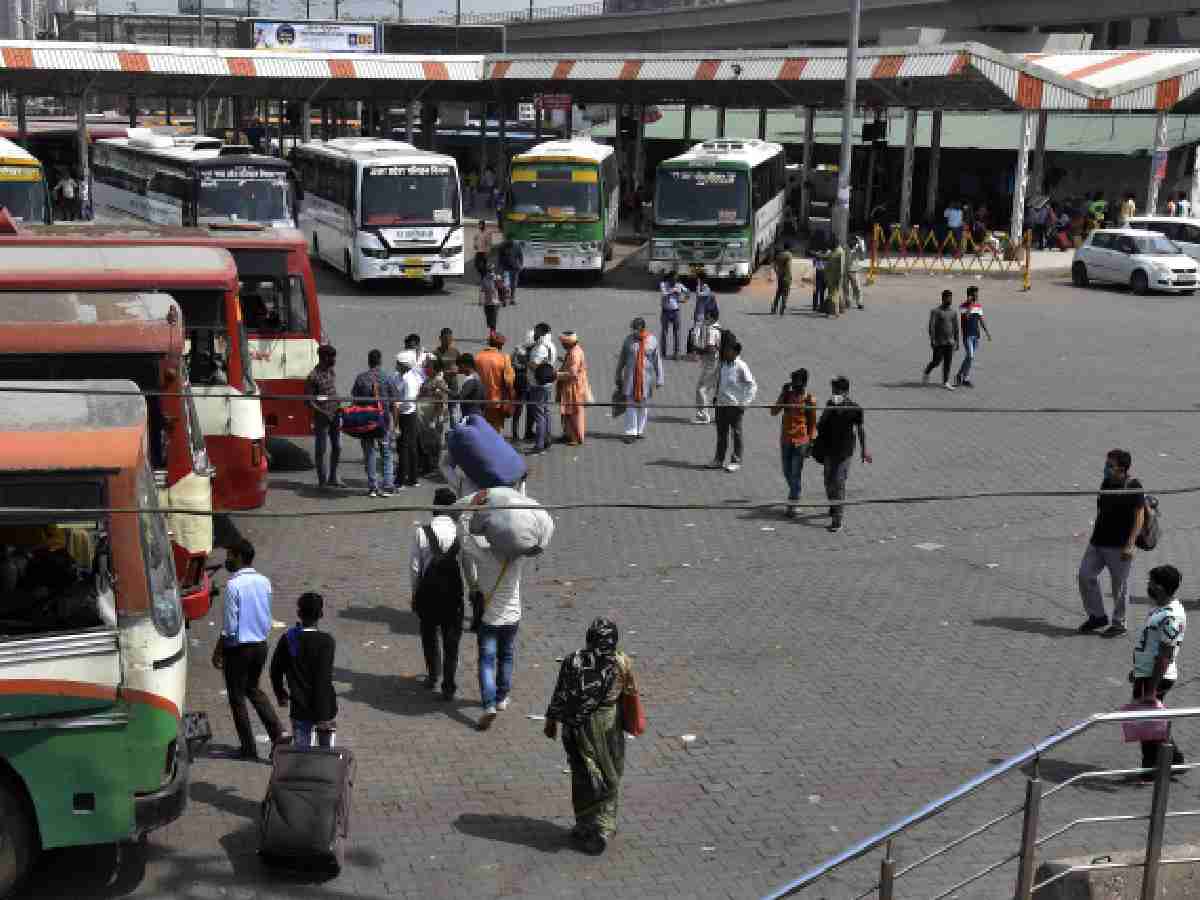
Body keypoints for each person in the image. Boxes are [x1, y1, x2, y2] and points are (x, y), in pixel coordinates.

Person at [543, 618, 640, 856]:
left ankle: (585, 825)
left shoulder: (572, 660)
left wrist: (551, 722)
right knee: (610, 774)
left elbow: (560, 694)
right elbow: (630, 693)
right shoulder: (622, 662)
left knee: (582, 775)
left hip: (577, 727)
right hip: (608, 726)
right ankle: (604, 827)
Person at [211, 539, 284, 761]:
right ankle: (278, 735)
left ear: (240, 557)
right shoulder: (264, 582)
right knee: (253, 689)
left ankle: (248, 748)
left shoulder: (234, 586)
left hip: (239, 648)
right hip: (260, 645)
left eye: (230, 555)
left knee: (237, 697)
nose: (227, 560)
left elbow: (231, 626)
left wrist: (218, 650)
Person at [460, 501, 528, 730]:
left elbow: (464, 541)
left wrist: (466, 514)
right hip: (512, 617)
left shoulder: (484, 556)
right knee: (506, 656)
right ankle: (501, 698)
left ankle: (488, 704)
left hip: (489, 618)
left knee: (487, 661)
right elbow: (528, 534)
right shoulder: (517, 557)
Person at [1128, 565, 1187, 780]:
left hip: (1157, 677)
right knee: (1150, 721)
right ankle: (1173, 760)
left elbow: (1164, 654)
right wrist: (1137, 671)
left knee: (1147, 723)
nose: (1148, 586)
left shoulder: (1171, 615)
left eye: (1151, 583)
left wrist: (1151, 689)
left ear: (1160, 587)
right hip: (1146, 674)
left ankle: (1151, 768)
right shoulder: (1160, 608)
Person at [1079, 449, 1145, 638]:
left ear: (1122, 469)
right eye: (1106, 465)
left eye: (1110, 466)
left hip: (1119, 546)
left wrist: (1131, 543)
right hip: (1098, 542)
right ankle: (1097, 616)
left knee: (1120, 586)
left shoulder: (1134, 486)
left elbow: (1139, 516)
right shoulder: (1106, 483)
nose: (1106, 469)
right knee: (1085, 576)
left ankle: (1119, 623)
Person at [409, 488, 465, 701]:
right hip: (453, 596)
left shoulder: (422, 532)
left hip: (428, 595)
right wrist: (473, 589)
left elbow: (415, 567)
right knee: (452, 641)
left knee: (430, 636)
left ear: (434, 507)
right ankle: (448, 685)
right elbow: (468, 567)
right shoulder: (460, 534)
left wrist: (415, 593)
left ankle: (433, 675)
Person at [269, 591, 337, 749]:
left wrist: (281, 694)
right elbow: (323, 679)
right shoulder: (327, 642)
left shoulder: (288, 639)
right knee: (326, 754)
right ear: (321, 614)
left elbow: (275, 671)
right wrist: (323, 713)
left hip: (300, 707)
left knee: (302, 753)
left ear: (299, 613)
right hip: (324, 708)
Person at [814, 376, 871, 533]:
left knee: (838, 482)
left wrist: (864, 450)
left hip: (845, 452)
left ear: (846, 392)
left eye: (837, 391)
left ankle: (837, 519)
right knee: (828, 481)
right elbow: (820, 425)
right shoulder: (830, 404)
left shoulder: (855, 409)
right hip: (828, 450)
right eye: (833, 391)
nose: (834, 394)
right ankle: (834, 505)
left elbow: (860, 430)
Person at [351, 349, 399, 497]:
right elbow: (395, 403)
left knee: (369, 453)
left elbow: (354, 400)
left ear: (369, 361)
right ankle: (388, 485)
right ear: (380, 361)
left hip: (366, 421)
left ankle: (372, 487)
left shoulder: (361, 378)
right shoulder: (387, 378)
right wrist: (395, 426)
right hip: (383, 421)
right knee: (386, 452)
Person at [771, 368, 818, 518]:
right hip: (786, 439)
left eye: (797, 382)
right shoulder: (787, 396)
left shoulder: (809, 400)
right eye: (793, 382)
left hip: (801, 441)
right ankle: (795, 496)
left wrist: (811, 443)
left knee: (795, 473)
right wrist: (782, 394)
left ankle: (793, 503)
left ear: (804, 383)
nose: (794, 385)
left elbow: (812, 423)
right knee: (787, 471)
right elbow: (773, 412)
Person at [709, 340, 756, 472]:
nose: (725, 352)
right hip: (721, 404)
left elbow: (752, 386)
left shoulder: (741, 366)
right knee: (721, 433)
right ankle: (719, 459)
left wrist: (744, 404)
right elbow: (720, 382)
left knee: (736, 433)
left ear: (735, 352)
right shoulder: (724, 364)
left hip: (734, 406)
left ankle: (736, 461)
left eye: (728, 350)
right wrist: (715, 397)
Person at [615, 317, 664, 444]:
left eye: (635, 329)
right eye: (632, 329)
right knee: (631, 405)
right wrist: (618, 374)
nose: (633, 332)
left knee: (643, 406)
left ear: (641, 328)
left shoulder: (652, 340)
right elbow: (622, 358)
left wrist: (660, 378)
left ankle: (639, 431)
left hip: (646, 380)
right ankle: (630, 432)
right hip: (630, 379)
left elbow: (657, 360)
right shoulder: (628, 340)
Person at [306, 344, 343, 488]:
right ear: (323, 357)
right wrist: (324, 412)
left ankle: (333, 477)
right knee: (321, 450)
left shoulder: (331, 371)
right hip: (322, 418)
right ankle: (322, 481)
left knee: (337, 447)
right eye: (331, 357)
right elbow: (309, 402)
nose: (334, 359)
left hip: (336, 414)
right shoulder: (312, 377)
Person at [391, 351, 423, 489]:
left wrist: (396, 424)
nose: (396, 365)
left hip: (406, 415)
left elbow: (403, 403)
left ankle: (401, 479)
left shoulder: (408, 380)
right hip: (406, 413)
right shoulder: (403, 375)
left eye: (398, 364)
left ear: (405, 366)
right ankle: (412, 477)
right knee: (409, 446)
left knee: (404, 447)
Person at [525, 323, 557, 454]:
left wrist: (525, 360)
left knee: (539, 415)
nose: (534, 333)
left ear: (541, 332)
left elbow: (535, 366)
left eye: (536, 331)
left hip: (537, 385)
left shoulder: (540, 348)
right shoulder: (551, 346)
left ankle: (539, 444)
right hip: (548, 384)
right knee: (546, 412)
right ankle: (547, 439)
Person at [557, 331, 592, 446]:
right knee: (568, 411)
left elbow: (572, 373)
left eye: (563, 343)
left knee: (573, 412)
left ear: (568, 343)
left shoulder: (574, 354)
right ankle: (568, 434)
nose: (562, 345)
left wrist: (556, 375)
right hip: (572, 386)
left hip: (574, 387)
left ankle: (575, 437)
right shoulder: (573, 351)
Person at [475, 334, 516, 433]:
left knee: (482, 428)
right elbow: (509, 381)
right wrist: (512, 398)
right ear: (501, 345)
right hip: (497, 401)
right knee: (496, 429)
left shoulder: (478, 357)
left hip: (480, 400)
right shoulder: (504, 357)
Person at [953, 286, 992, 388]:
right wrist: (970, 305)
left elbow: (981, 320)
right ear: (970, 294)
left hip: (976, 336)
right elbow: (966, 317)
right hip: (967, 336)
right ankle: (959, 375)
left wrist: (987, 332)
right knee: (970, 356)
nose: (977, 295)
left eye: (977, 293)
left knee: (970, 358)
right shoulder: (963, 306)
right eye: (975, 293)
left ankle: (965, 378)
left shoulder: (978, 306)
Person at [417, 358, 451, 475]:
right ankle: (427, 465)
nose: (426, 368)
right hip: (424, 418)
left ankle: (434, 467)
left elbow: (440, 402)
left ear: (435, 369)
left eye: (428, 367)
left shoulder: (439, 382)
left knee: (434, 443)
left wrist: (434, 419)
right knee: (426, 442)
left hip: (433, 419)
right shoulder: (428, 380)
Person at [923, 290, 960, 390]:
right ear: (943, 298)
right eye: (947, 297)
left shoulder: (953, 312)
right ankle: (927, 371)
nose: (949, 299)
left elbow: (956, 328)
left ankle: (945, 382)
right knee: (936, 361)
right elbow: (931, 326)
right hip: (939, 342)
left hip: (950, 342)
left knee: (948, 362)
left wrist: (957, 341)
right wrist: (932, 340)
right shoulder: (936, 311)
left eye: (951, 298)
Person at [691, 307, 722, 425]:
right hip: (716, 363)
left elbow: (711, 348)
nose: (704, 318)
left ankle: (703, 415)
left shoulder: (711, 330)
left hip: (711, 364)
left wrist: (698, 350)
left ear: (710, 317)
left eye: (706, 316)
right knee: (709, 389)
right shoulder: (718, 327)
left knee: (701, 389)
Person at [659, 272, 687, 360]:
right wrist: (674, 291)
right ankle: (663, 353)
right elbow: (664, 294)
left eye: (676, 280)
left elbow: (687, 291)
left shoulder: (679, 285)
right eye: (673, 280)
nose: (674, 282)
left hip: (676, 312)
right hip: (665, 311)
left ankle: (676, 353)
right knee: (664, 332)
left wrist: (684, 299)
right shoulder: (663, 284)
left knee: (677, 333)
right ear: (669, 279)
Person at [456, 353, 485, 418]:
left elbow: (459, 397)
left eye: (461, 366)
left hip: (471, 416)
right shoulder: (478, 377)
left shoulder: (471, 380)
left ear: (468, 365)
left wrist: (443, 388)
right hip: (477, 414)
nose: (459, 368)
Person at [497, 235, 524, 305]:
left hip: (515, 268)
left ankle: (512, 299)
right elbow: (499, 258)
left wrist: (521, 265)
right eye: (508, 240)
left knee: (514, 284)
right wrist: (499, 268)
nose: (510, 242)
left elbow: (520, 256)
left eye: (511, 240)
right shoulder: (502, 246)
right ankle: (504, 299)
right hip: (505, 268)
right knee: (506, 284)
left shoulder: (517, 246)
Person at [480, 262, 504, 338]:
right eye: (489, 270)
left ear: (494, 270)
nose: (491, 271)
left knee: (493, 318)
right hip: (487, 302)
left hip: (495, 302)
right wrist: (480, 300)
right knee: (489, 319)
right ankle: (492, 331)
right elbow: (482, 290)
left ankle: (492, 334)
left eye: (492, 270)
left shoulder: (497, 278)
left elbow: (501, 289)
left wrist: (503, 300)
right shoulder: (484, 279)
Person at [771, 242, 793, 315]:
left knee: (778, 293)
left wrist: (777, 272)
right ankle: (782, 309)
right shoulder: (789, 255)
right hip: (786, 276)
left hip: (780, 276)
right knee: (785, 293)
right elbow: (788, 267)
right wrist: (789, 276)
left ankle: (774, 308)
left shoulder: (779, 255)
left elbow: (774, 265)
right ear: (789, 248)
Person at [824, 242, 844, 316]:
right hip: (830, 277)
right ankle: (833, 311)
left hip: (836, 277)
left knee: (834, 295)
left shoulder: (840, 252)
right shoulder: (831, 252)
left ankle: (835, 311)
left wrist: (840, 277)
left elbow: (841, 267)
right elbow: (827, 264)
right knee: (832, 294)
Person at [847, 234, 866, 310]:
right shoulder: (846, 249)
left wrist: (861, 244)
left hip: (854, 271)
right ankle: (848, 302)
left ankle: (859, 303)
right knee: (847, 288)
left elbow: (862, 258)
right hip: (847, 271)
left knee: (857, 288)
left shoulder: (858, 250)